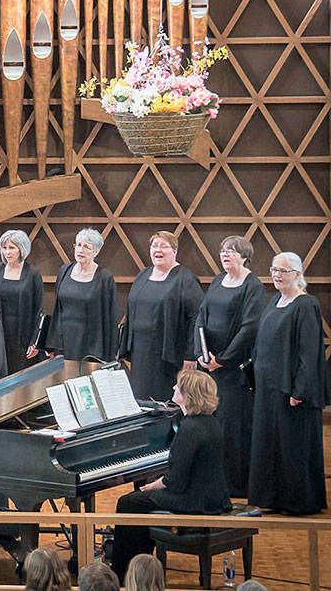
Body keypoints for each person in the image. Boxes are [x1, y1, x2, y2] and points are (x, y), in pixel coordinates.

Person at [111, 369, 231, 576]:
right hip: (213, 495)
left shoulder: (190, 428)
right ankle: (140, 566)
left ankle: (126, 573)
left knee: (129, 502)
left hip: (195, 500)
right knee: (137, 500)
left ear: (189, 394)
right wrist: (156, 484)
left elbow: (176, 481)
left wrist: (152, 485)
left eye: (178, 386)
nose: (174, 387)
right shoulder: (209, 422)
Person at [247, 251, 327, 514]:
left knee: (292, 446)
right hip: (268, 390)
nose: (276, 275)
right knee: (269, 444)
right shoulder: (274, 301)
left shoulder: (306, 305)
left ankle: (296, 501)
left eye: (282, 271)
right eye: (273, 270)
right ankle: (272, 497)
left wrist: (299, 389)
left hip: (290, 391)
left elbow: (308, 352)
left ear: (297, 274)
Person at [195, 235, 265, 496]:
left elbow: (250, 328)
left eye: (231, 251)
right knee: (209, 424)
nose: (225, 255)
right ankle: (209, 481)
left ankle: (234, 485)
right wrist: (201, 355)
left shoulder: (252, 285)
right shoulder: (216, 281)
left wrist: (222, 360)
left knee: (232, 427)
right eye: (223, 251)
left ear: (245, 256)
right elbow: (201, 317)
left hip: (234, 371)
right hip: (209, 366)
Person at [122, 232, 203, 400]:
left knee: (161, 396)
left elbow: (197, 318)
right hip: (140, 351)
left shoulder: (185, 280)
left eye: (163, 246)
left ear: (174, 251)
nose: (158, 250)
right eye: (154, 246)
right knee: (141, 396)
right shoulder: (143, 275)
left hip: (168, 353)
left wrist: (191, 354)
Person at [30, 228, 116, 361]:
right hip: (62, 341)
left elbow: (109, 317)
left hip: (89, 344)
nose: (81, 250)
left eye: (87, 247)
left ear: (96, 252)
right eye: (78, 245)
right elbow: (58, 309)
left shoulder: (104, 277)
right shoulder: (65, 270)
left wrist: (110, 355)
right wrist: (51, 344)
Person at [0, 230, 42, 373]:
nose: (7, 252)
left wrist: (34, 342)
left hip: (22, 335)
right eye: (4, 248)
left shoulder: (33, 273)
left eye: (12, 248)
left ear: (22, 249)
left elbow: (38, 310)